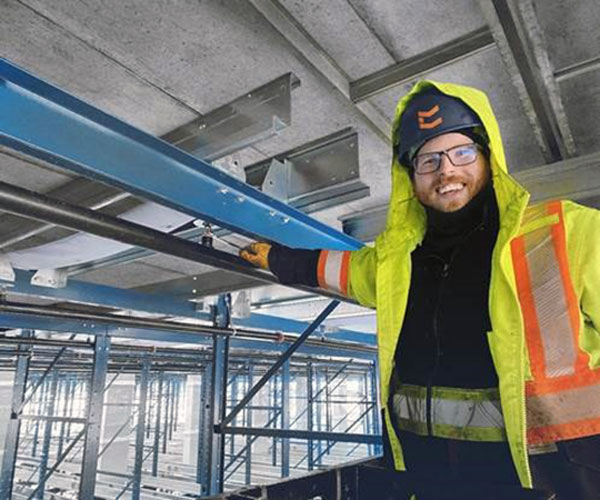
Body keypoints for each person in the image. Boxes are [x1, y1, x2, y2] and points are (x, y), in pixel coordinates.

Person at [239, 81, 600, 499]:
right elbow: (347, 270)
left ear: (488, 157)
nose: (446, 171)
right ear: (410, 178)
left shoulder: (569, 232)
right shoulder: (400, 262)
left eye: (461, 153)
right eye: (428, 160)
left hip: (553, 482)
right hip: (431, 481)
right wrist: (277, 259)